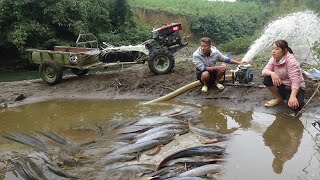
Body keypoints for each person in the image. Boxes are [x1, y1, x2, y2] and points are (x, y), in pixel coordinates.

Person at [262, 40, 306, 112]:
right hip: (283, 84)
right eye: (273, 49)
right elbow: (264, 71)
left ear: (284, 50)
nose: (273, 51)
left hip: (295, 87)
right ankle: (278, 98)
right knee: (267, 79)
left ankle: (290, 97)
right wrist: (273, 74)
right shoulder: (274, 59)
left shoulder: (291, 62)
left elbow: (295, 82)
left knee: (296, 107)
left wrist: (293, 97)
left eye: (276, 49)